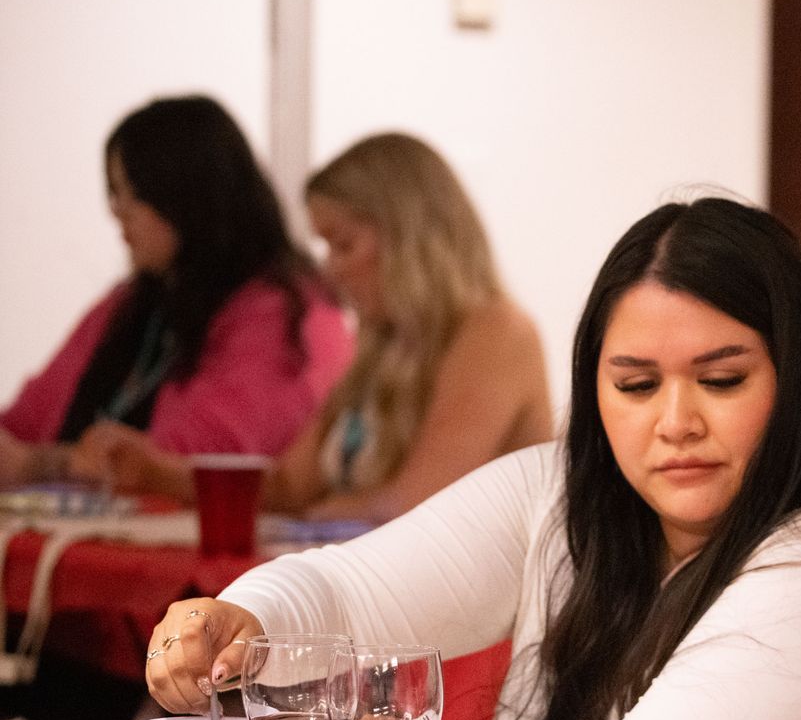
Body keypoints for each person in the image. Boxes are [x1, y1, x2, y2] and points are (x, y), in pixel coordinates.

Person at [144, 197, 801, 720]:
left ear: (800, 383)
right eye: (636, 385)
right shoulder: (563, 494)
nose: (676, 422)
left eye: (722, 381)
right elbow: (350, 595)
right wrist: (240, 623)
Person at [71, 133, 552, 522]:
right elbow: (286, 486)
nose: (331, 269)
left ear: (412, 238)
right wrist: (158, 472)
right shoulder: (381, 344)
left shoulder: (497, 334)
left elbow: (412, 507)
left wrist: (308, 519)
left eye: (342, 245)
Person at [0, 96, 350, 483]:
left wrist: (45, 464)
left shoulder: (286, 311)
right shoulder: (132, 302)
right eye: (114, 192)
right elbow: (23, 423)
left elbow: (196, 461)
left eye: (132, 191)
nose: (117, 211)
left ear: (187, 195)